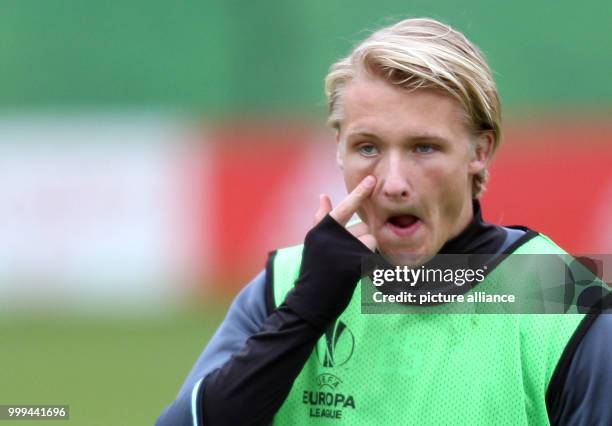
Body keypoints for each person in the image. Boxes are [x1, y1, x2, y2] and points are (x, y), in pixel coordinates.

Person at [157, 18, 612, 425]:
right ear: (339, 148)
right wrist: (306, 311)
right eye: (368, 148)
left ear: (479, 151)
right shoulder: (285, 288)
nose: (393, 183)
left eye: (424, 148)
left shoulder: (565, 299)